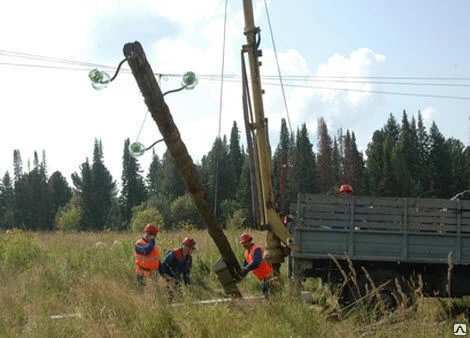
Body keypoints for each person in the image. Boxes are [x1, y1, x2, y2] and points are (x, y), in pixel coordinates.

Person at [239, 232, 274, 297]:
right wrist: (239, 276)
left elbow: (256, 262)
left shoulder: (257, 249)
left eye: (245, 242)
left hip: (269, 275)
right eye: (243, 243)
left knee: (268, 292)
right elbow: (244, 266)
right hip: (264, 276)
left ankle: (273, 305)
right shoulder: (247, 253)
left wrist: (246, 269)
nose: (244, 244)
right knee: (267, 292)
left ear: (250, 241)